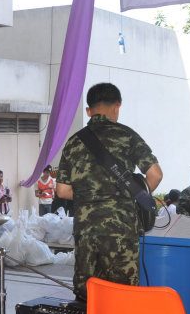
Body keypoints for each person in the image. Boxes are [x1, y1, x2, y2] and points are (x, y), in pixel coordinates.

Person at [56, 83, 162, 299]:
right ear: (117, 106)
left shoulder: (73, 143)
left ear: (89, 111)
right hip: (121, 232)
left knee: (88, 297)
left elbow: (62, 191)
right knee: (123, 297)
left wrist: (90, 194)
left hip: (86, 234)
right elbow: (155, 174)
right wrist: (133, 195)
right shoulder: (127, 136)